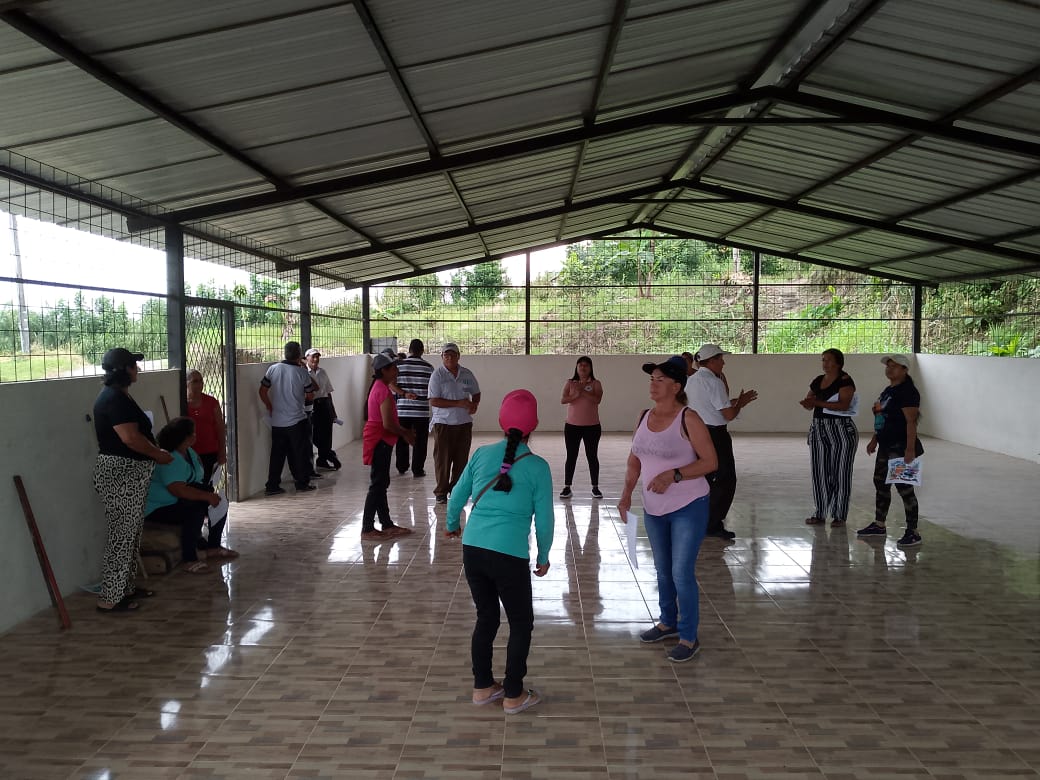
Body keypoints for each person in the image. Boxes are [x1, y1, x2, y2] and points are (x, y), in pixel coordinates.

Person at [446, 389, 554, 714]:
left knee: (487, 616)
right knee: (520, 622)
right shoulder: (538, 467)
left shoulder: (481, 454)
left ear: (500, 421)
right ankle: (513, 694)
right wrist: (543, 557)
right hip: (509, 555)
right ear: (535, 425)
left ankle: (482, 687)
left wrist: (452, 525)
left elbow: (456, 496)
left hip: (473, 549)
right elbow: (545, 520)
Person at [618, 356, 718, 663]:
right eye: (652, 379)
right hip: (654, 507)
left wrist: (674, 475)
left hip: (689, 505)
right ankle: (667, 622)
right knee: (662, 570)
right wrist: (626, 495)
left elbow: (710, 462)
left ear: (676, 386)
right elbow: (635, 459)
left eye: (660, 380)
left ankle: (689, 636)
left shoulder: (689, 419)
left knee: (680, 572)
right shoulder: (643, 416)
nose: (653, 384)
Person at [92, 347, 173, 613]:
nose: (137, 369)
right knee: (121, 536)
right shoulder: (113, 399)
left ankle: (124, 588)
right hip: (121, 473)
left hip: (130, 473)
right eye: (133, 366)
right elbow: (130, 438)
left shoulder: (120, 396)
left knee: (131, 534)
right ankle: (110, 598)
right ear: (124, 370)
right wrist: (157, 454)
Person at [686, 343, 758, 540]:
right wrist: (740, 403)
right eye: (720, 359)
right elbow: (728, 414)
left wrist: (734, 402)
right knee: (725, 480)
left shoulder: (693, 380)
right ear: (711, 361)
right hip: (715, 435)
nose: (723, 363)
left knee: (704, 478)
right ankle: (713, 523)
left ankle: (697, 519)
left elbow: (710, 406)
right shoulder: (713, 382)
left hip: (697, 433)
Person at [858, 355, 924, 547]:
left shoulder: (908, 392)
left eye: (894, 366)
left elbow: (911, 422)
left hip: (900, 447)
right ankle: (879, 524)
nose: (889, 369)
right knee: (880, 483)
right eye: (888, 366)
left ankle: (913, 531)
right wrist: (874, 440)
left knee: (905, 488)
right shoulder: (888, 391)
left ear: (904, 370)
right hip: (886, 445)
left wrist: (909, 449)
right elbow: (883, 418)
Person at [144, 417, 223, 573]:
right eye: (192, 433)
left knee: (219, 502)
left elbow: (196, 476)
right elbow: (178, 489)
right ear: (184, 438)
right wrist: (205, 496)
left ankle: (213, 546)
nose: (195, 436)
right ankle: (190, 559)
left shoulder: (189, 452)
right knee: (194, 511)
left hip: (177, 498)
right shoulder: (169, 457)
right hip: (159, 507)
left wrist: (207, 493)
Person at [799, 349, 858, 528]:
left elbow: (844, 405)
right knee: (819, 472)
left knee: (841, 473)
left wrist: (816, 402)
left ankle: (839, 514)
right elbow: (809, 401)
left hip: (841, 430)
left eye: (828, 360)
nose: (825, 363)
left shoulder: (845, 380)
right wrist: (808, 403)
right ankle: (820, 512)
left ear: (838, 363)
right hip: (819, 428)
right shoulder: (818, 380)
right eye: (823, 360)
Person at [361, 352, 416, 541]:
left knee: (381, 483)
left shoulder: (380, 386)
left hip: (381, 439)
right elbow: (388, 424)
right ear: (383, 371)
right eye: (393, 368)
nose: (396, 371)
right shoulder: (382, 390)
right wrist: (405, 433)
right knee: (378, 484)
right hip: (380, 440)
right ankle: (367, 528)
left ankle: (386, 524)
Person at [185, 369, 237, 558]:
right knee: (195, 493)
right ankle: (197, 534)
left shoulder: (211, 402)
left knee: (209, 489)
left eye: (200, 380)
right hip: (191, 456)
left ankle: (211, 534)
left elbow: (220, 428)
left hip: (210, 453)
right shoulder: (183, 403)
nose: (199, 384)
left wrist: (222, 451)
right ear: (186, 384)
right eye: (194, 381)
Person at [259, 341, 317, 496]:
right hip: (297, 420)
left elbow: (262, 391)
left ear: (285, 353)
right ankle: (302, 483)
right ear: (299, 355)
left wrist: (269, 405)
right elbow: (310, 395)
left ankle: (272, 485)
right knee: (299, 454)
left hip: (277, 421)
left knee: (277, 455)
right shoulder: (302, 373)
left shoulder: (273, 369)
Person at [428, 342, 481, 504]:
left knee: (461, 459)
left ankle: (456, 489)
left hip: (464, 423)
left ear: (458, 356)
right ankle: (441, 492)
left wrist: (474, 404)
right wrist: (459, 403)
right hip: (443, 423)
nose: (449, 358)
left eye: (452, 355)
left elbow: (476, 392)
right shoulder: (437, 375)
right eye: (446, 355)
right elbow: (434, 400)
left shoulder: (467, 374)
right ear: (442, 357)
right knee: (443, 459)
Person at [559, 356, 604, 499]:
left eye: (586, 365)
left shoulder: (596, 383)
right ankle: (567, 487)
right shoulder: (570, 383)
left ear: (590, 368)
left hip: (592, 427)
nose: (583, 368)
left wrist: (582, 391)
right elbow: (563, 400)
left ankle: (595, 487)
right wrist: (575, 394)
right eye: (580, 365)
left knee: (592, 456)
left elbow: (597, 399)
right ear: (576, 368)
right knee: (571, 456)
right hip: (572, 426)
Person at [394, 338, 434, 477]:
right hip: (421, 411)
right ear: (422, 351)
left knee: (402, 438)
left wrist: (403, 393)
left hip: (402, 410)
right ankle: (417, 469)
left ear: (409, 350)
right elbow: (432, 389)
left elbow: (391, 384)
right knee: (421, 441)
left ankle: (401, 466)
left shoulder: (399, 366)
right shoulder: (429, 367)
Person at [305, 348, 341, 470]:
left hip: (325, 403)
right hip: (313, 404)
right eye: (313, 357)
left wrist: (332, 410)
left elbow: (328, 392)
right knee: (315, 434)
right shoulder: (304, 373)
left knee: (327, 433)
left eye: (317, 357)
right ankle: (329, 454)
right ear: (306, 358)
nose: (316, 359)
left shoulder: (322, 372)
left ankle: (323, 459)